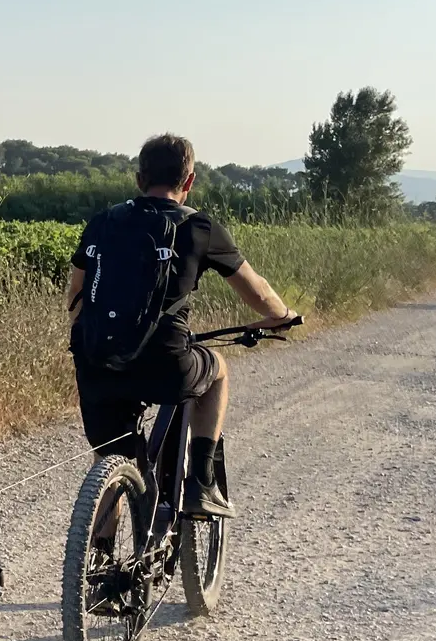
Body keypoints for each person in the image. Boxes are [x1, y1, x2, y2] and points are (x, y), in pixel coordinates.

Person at [65, 134, 297, 516]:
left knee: (109, 457)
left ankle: (99, 562)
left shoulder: (103, 222)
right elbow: (257, 290)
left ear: (139, 179)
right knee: (218, 371)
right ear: (188, 181)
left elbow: (76, 293)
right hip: (166, 362)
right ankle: (202, 482)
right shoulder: (199, 228)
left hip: (96, 362)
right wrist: (281, 316)